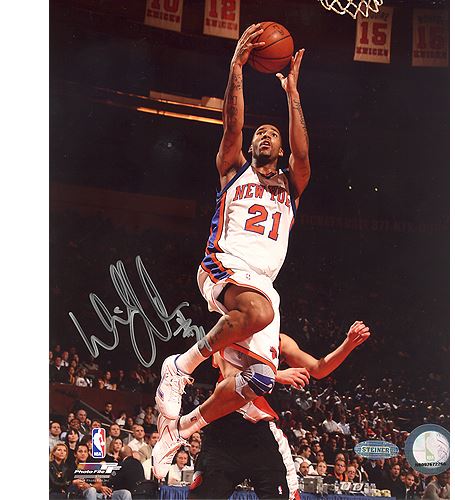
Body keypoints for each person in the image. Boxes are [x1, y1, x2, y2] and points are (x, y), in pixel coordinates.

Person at [153, 22, 311, 476]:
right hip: (224, 264)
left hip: (263, 283)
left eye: (272, 134)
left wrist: (292, 94)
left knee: (258, 379)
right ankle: (180, 366)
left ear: (280, 148)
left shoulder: (291, 186)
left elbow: (303, 156)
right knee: (258, 312)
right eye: (260, 133)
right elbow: (233, 124)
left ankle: (181, 428)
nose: (265, 136)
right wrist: (237, 68)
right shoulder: (232, 170)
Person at [188, 321, 371, 499]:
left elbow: (318, 368)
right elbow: (231, 376)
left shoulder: (279, 341)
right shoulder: (229, 331)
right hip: (225, 428)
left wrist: (348, 344)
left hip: (259, 433)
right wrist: (276, 375)